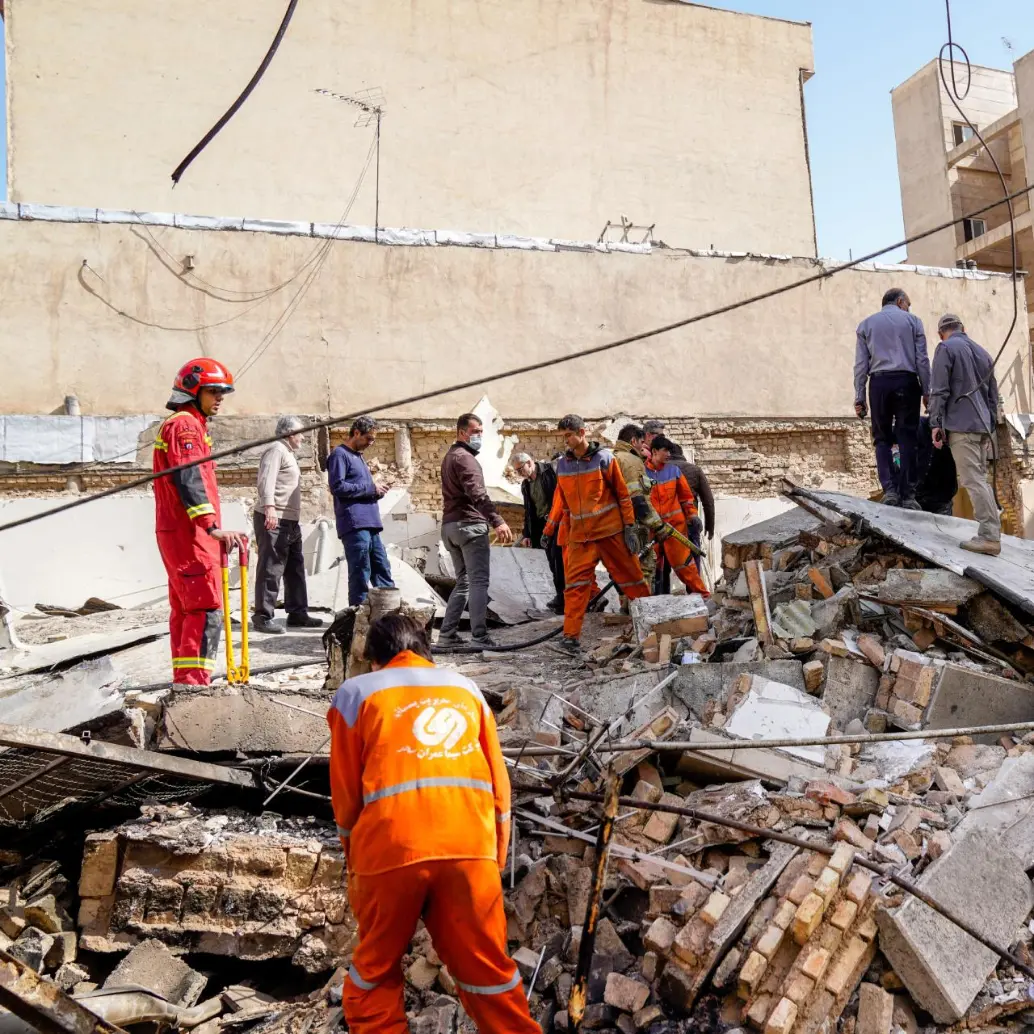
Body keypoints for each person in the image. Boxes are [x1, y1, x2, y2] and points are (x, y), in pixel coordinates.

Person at [328, 613, 538, 1034]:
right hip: (470, 852)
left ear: (375, 659)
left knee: (374, 977)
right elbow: (500, 786)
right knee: (490, 975)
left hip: (389, 851)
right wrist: (492, 858)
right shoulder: (465, 689)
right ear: (425, 651)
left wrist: (357, 864)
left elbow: (346, 799)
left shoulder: (354, 695)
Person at [153, 358, 248, 686]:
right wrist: (211, 526)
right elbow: (189, 476)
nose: (220, 397)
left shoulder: (187, 424)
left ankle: (184, 683)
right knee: (206, 608)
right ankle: (194, 686)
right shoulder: (186, 426)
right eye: (213, 391)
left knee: (186, 610)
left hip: (180, 532)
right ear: (193, 391)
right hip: (190, 534)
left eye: (223, 391)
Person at [542, 415, 649, 655]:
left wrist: (630, 527)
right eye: (563, 437)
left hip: (610, 533)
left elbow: (623, 495)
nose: (566, 441)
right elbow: (563, 504)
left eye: (568, 435)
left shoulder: (604, 459)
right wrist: (553, 530)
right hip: (581, 538)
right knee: (575, 588)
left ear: (583, 432)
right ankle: (570, 637)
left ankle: (654, 627)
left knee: (633, 581)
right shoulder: (563, 466)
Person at [929, 313, 1002, 555]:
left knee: (973, 480)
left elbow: (939, 390)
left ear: (941, 333)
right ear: (964, 328)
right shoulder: (983, 353)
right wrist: (990, 426)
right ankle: (990, 532)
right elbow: (993, 398)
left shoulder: (945, 349)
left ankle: (989, 537)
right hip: (982, 426)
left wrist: (936, 423)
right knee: (980, 478)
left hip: (961, 426)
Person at [439, 413, 514, 647]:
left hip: (450, 527)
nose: (479, 435)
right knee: (479, 582)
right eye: (475, 432)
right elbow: (478, 494)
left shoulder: (449, 457)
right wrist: (497, 520)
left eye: (481, 431)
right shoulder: (466, 459)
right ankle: (480, 636)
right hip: (469, 527)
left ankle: (446, 635)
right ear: (462, 433)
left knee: (464, 582)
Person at [854, 288, 931, 509]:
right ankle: (908, 495)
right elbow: (922, 360)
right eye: (908, 304)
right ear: (900, 302)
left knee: (882, 438)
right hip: (907, 382)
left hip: (879, 383)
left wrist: (860, 396)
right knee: (908, 439)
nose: (909, 308)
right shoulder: (914, 322)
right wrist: (927, 392)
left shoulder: (866, 325)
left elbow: (860, 365)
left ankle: (890, 491)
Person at [252, 416, 322, 634]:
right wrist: (270, 507)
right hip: (275, 516)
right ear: (290, 433)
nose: (303, 437)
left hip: (289, 520)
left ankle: (297, 613)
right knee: (271, 566)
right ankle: (263, 616)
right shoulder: (276, 450)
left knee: (294, 567)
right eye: (301, 432)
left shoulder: (288, 453)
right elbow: (266, 480)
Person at [327, 417, 396, 607]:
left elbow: (362, 488)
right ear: (356, 433)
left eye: (373, 439)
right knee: (360, 571)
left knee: (382, 568)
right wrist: (371, 488)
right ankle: (357, 616)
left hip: (370, 523)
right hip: (354, 523)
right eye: (368, 438)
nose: (370, 443)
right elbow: (337, 486)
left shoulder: (359, 457)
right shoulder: (339, 455)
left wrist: (378, 491)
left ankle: (388, 616)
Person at [646, 436, 710, 597]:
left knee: (686, 566)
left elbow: (686, 498)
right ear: (654, 451)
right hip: (653, 530)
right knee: (654, 569)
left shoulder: (674, 471)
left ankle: (703, 596)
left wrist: (693, 516)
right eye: (665, 451)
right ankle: (655, 601)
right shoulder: (642, 472)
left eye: (669, 451)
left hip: (675, 529)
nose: (668, 454)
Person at [612, 424, 663, 604]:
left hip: (614, 525)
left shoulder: (612, 458)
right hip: (633, 524)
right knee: (646, 564)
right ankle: (643, 607)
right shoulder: (631, 461)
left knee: (623, 567)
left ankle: (626, 606)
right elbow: (638, 499)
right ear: (633, 441)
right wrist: (657, 524)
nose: (644, 447)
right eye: (641, 442)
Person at [513, 451, 565, 612]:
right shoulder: (526, 485)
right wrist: (527, 534)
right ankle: (561, 596)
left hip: (559, 521)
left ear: (529, 462)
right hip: (543, 527)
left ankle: (564, 598)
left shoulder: (550, 471)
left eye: (520, 469)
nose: (519, 473)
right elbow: (529, 511)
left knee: (559, 561)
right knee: (551, 562)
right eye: (517, 471)